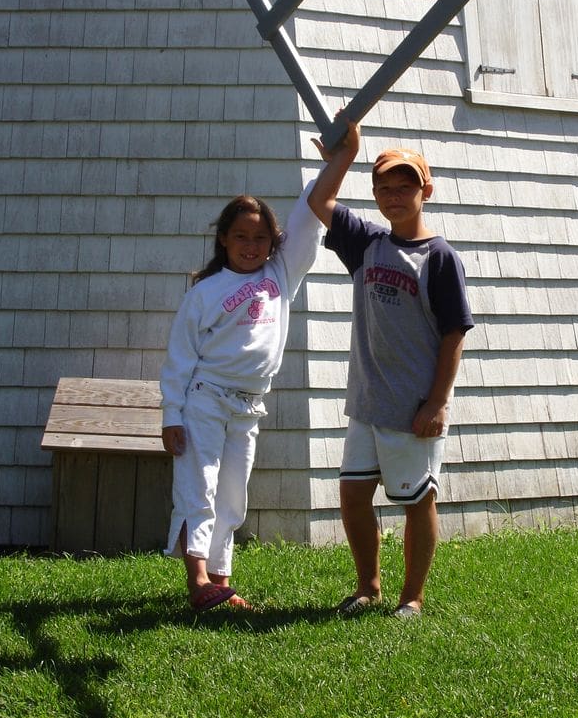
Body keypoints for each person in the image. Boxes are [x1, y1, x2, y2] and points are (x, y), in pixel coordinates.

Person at [308, 118, 473, 617]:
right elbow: (321, 203)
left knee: (416, 501)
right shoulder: (367, 243)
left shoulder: (440, 258)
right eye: (383, 188)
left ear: (427, 190)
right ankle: (368, 586)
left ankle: (413, 598)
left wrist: (438, 401)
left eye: (404, 187)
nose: (393, 196)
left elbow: (454, 334)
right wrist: (345, 154)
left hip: (412, 408)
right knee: (354, 496)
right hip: (367, 404)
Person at [160, 183, 324, 612]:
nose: (250, 246)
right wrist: (171, 415)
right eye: (241, 237)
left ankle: (221, 582)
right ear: (223, 239)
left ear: (273, 242)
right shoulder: (204, 293)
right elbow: (179, 358)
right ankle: (197, 581)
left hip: (248, 405)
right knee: (200, 488)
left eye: (260, 238)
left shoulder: (280, 276)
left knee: (232, 496)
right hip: (205, 400)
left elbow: (310, 219)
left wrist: (337, 160)